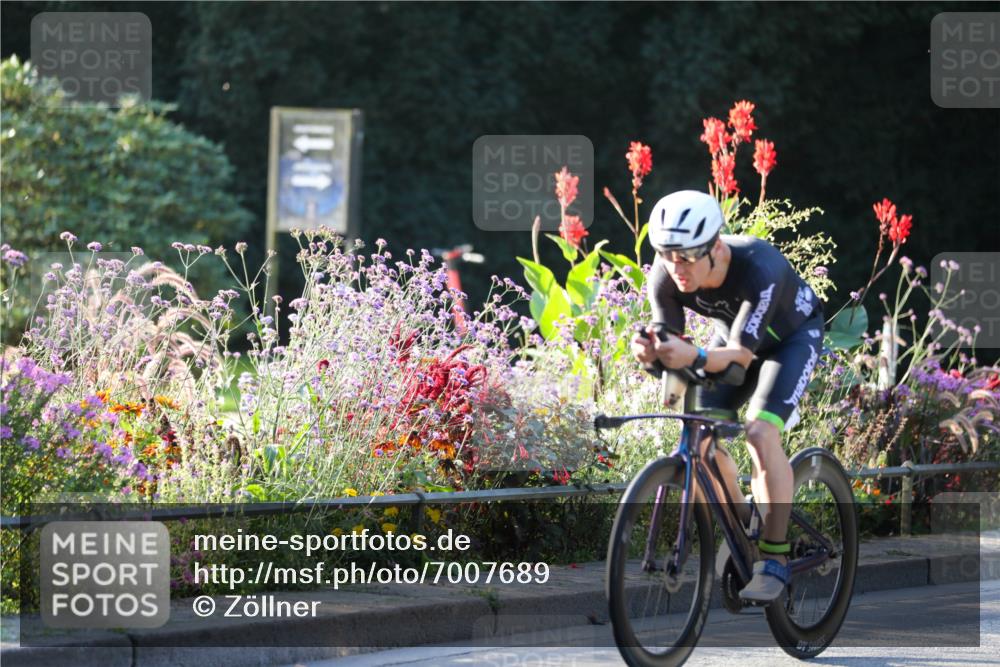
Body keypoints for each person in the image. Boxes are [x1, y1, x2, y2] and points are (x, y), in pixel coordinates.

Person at [631, 190, 824, 602]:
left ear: (715, 247)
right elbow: (670, 337)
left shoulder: (759, 267)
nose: (676, 267)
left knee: (759, 432)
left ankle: (775, 557)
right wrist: (651, 351)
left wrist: (696, 354)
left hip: (789, 339)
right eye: (666, 254)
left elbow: (738, 358)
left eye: (687, 256)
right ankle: (744, 521)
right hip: (734, 339)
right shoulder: (665, 274)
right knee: (699, 441)